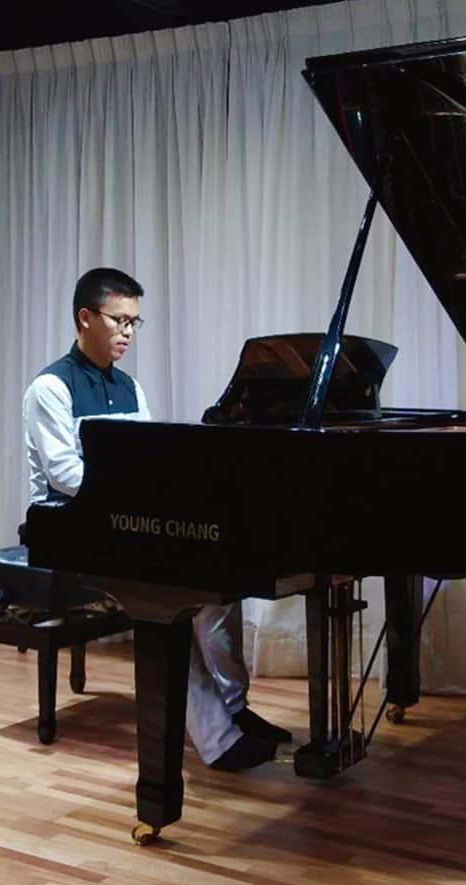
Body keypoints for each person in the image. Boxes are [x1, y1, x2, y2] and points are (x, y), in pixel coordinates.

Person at [22, 267, 290, 770]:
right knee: (166, 600)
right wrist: (137, 497)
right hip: (71, 527)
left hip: (123, 519)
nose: (128, 332)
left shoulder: (130, 387)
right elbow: (66, 475)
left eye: (134, 323)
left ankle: (234, 707)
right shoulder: (51, 388)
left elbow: (144, 460)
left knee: (218, 584)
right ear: (85, 318)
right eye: (119, 320)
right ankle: (217, 739)